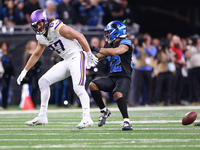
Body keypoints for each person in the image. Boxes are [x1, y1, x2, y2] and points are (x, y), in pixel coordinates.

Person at [17, 9, 98, 129]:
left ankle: (87, 118)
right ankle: (42, 116)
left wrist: (89, 54)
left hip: (77, 56)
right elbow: (36, 54)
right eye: (36, 25)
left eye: (40, 23)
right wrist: (25, 70)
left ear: (45, 21)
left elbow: (80, 36)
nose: (39, 27)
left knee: (78, 87)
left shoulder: (56, 27)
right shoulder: (40, 37)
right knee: (43, 81)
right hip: (66, 60)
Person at [89, 21, 133, 130]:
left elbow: (115, 52)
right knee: (92, 85)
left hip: (124, 77)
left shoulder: (126, 42)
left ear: (117, 32)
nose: (107, 35)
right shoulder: (109, 44)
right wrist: (87, 56)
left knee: (117, 93)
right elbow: (99, 57)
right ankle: (104, 110)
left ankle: (127, 122)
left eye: (109, 32)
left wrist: (95, 48)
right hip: (112, 77)